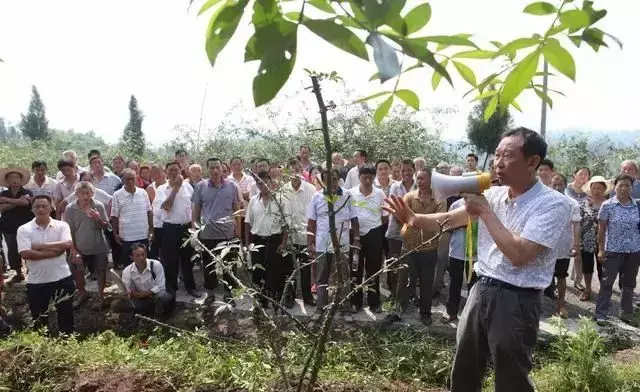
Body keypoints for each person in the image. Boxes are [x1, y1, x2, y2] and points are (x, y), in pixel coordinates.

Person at [384, 127, 571, 391]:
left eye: (507, 155)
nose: (498, 163)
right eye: (497, 155)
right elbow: (453, 219)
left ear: (532, 162)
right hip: (481, 289)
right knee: (464, 368)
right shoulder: (494, 194)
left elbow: (519, 254)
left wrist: (484, 212)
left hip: (517, 299)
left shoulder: (553, 204)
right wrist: (415, 220)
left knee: (511, 377)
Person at [391, 168, 446, 326]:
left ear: (431, 180)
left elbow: (439, 223)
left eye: (422, 178)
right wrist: (410, 221)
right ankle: (399, 310)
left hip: (429, 248)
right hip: (409, 246)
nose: (419, 181)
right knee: (404, 280)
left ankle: (425, 313)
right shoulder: (409, 197)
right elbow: (400, 217)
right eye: (418, 178)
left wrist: (415, 220)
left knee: (426, 282)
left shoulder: (439, 200)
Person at [17, 195, 75, 334]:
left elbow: (67, 244)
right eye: (37, 206)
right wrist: (52, 253)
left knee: (66, 314)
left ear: (51, 208)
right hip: (37, 281)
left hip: (62, 278)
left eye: (44, 206)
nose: (41, 209)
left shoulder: (62, 225)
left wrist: (39, 246)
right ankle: (43, 349)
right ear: (32, 209)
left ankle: (67, 345)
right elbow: (26, 253)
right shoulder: (24, 229)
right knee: (39, 318)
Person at [307, 168, 359, 317]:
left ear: (339, 180)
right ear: (323, 182)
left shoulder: (348, 196)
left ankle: (345, 308)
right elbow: (311, 222)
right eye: (328, 180)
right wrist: (310, 242)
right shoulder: (316, 197)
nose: (332, 183)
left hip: (341, 244)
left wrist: (356, 239)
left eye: (335, 179)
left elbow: (354, 219)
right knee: (321, 277)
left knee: (342, 276)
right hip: (322, 244)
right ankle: (320, 308)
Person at [191, 158, 242, 303]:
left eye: (217, 167)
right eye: (211, 168)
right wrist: (194, 229)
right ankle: (210, 293)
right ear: (207, 169)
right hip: (207, 233)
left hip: (228, 233)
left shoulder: (232, 186)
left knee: (229, 265)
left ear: (222, 168)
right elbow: (196, 209)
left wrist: (237, 228)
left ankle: (229, 293)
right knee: (208, 265)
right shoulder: (200, 186)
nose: (214, 170)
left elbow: (237, 209)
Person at [594, 174, 640, 324]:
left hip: (633, 251)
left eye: (628, 185)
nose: (624, 188)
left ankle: (626, 314)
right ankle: (600, 313)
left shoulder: (637, 205)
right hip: (613, 250)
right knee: (607, 283)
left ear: (632, 188)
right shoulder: (607, 205)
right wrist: (601, 249)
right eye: (621, 185)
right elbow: (601, 230)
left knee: (629, 284)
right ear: (615, 187)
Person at [245, 171, 290, 307]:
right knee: (258, 272)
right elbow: (248, 222)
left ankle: (277, 301)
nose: (263, 185)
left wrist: (284, 243)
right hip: (257, 241)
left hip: (274, 240)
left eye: (265, 182)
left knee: (276, 271)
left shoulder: (280, 199)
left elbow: (286, 224)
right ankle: (261, 301)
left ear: (270, 182)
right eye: (259, 182)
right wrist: (248, 243)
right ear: (257, 184)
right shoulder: (253, 200)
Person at [64, 181, 111, 309]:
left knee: (101, 270)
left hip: (98, 245)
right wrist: (73, 250)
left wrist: (98, 219)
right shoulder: (70, 208)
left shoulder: (99, 205)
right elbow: (68, 231)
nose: (85, 196)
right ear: (76, 194)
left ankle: (101, 296)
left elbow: (106, 227)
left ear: (92, 193)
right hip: (79, 246)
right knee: (75, 269)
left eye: (88, 193)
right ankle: (82, 293)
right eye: (82, 193)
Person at [157, 161, 199, 298]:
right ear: (166, 172)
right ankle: (171, 289)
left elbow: (193, 208)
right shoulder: (161, 189)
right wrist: (175, 188)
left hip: (186, 228)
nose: (173, 173)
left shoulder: (188, 187)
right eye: (170, 170)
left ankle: (190, 287)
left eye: (176, 170)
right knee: (170, 260)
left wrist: (194, 226)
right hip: (169, 228)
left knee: (187, 259)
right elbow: (166, 206)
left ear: (181, 171)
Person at [349, 164, 386, 314]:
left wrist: (374, 229)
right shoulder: (351, 194)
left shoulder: (380, 194)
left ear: (373, 177)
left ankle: (374, 302)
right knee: (355, 268)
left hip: (374, 234)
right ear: (359, 177)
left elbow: (384, 217)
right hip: (355, 236)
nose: (367, 180)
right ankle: (355, 302)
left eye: (370, 177)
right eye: (364, 177)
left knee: (373, 269)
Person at [281, 157, 317, 306]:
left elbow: (314, 215)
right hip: (289, 237)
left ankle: (308, 296)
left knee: (306, 268)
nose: (294, 172)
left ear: (301, 169)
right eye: (291, 169)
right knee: (289, 269)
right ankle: (290, 296)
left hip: (305, 235)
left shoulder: (311, 189)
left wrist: (312, 238)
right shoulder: (283, 190)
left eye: (296, 168)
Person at [549, 173, 581, 318]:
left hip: (563, 247)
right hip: (543, 247)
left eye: (560, 184)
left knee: (561, 277)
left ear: (565, 185)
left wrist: (576, 245)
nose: (556, 187)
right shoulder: (543, 201)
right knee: (540, 275)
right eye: (554, 184)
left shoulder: (572, 203)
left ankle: (561, 305)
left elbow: (576, 226)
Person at [385, 159, 416, 298]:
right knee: (395, 264)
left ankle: (410, 293)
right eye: (403, 170)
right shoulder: (395, 187)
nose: (406, 173)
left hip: (414, 231)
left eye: (409, 170)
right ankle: (394, 294)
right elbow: (393, 208)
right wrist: (404, 219)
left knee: (412, 265)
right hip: (395, 232)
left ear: (414, 170)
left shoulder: (419, 186)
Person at [576, 175, 610, 301]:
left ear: (604, 189)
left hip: (604, 241)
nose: (596, 191)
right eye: (594, 188)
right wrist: (577, 241)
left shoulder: (608, 205)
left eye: (599, 188)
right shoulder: (584, 205)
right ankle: (588, 289)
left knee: (603, 268)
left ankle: (604, 291)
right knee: (587, 266)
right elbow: (578, 223)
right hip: (586, 240)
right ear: (590, 189)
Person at [110, 169, 153, 269]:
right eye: (127, 179)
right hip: (127, 237)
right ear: (122, 180)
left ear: (136, 179)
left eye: (132, 179)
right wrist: (115, 234)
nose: (130, 181)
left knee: (145, 264)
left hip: (143, 234)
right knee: (129, 266)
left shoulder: (143, 192)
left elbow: (149, 211)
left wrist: (151, 229)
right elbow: (114, 216)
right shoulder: (117, 195)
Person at [443, 198, 477, 323]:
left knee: (473, 285)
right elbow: (447, 226)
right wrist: (461, 224)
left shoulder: (482, 204)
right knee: (454, 283)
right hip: (456, 251)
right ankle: (451, 313)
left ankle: (471, 316)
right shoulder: (456, 205)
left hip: (475, 254)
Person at [0, 166, 34, 284]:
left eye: (17, 177)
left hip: (26, 225)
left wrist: (8, 200)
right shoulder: (3, 193)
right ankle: (19, 273)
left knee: (28, 248)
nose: (14, 180)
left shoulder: (27, 192)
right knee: (13, 250)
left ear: (21, 180)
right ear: (7, 181)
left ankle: (32, 272)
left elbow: (25, 202)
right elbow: (1, 208)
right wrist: (17, 202)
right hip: (8, 227)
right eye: (11, 178)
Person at [121, 243, 174, 319]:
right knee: (118, 304)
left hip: (156, 295)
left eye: (143, 254)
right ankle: (144, 312)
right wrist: (130, 294)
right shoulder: (127, 271)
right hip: (141, 298)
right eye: (138, 256)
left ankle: (159, 315)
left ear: (146, 254)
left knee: (162, 296)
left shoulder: (156, 264)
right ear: (131, 257)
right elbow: (127, 289)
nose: (141, 258)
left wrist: (147, 293)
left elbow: (161, 286)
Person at [146, 164, 166, 261]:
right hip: (157, 225)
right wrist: (151, 228)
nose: (156, 175)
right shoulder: (150, 188)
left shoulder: (171, 185)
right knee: (156, 252)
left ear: (164, 172)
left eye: (158, 172)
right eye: (153, 173)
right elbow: (149, 210)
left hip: (170, 223)